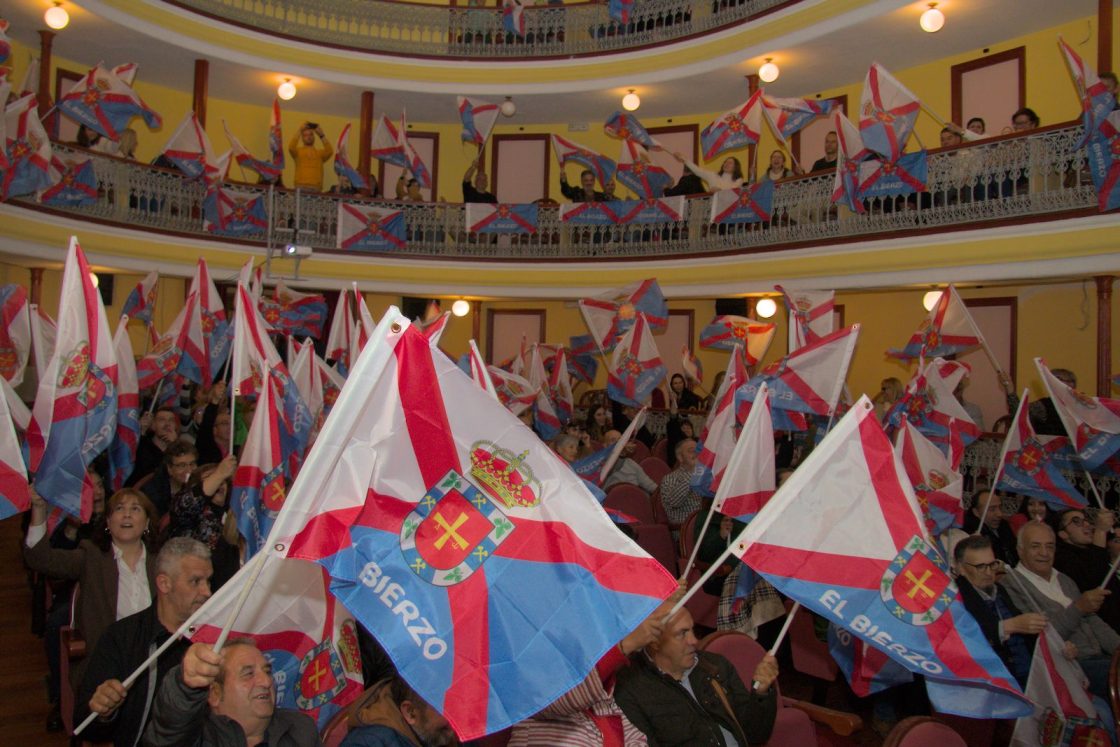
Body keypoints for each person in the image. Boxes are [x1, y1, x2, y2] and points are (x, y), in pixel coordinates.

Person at [75, 538, 213, 747]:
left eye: (208, 581)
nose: (207, 592)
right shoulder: (123, 637)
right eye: (196, 581)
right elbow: (85, 724)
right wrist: (103, 711)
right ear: (164, 583)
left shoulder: (214, 639)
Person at [25, 488, 159, 690]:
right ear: (107, 522)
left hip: (152, 662)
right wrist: (39, 508)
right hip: (104, 666)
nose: (127, 514)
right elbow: (40, 559)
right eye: (119, 509)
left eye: (136, 509)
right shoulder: (91, 556)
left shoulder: (161, 563)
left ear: (147, 523)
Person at [614, 607, 779, 747]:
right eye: (682, 633)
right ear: (654, 641)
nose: (694, 640)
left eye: (692, 630)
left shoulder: (714, 666)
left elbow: (755, 735)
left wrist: (760, 692)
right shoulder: (631, 690)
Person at [1000, 521, 1119, 699]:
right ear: (1020, 550)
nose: (1044, 553)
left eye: (1050, 546)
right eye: (1035, 546)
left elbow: (1093, 620)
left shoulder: (1064, 579)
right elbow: (1042, 640)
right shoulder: (1012, 585)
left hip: (1101, 658)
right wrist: (1078, 608)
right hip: (1069, 666)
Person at [143, 639, 320, 746]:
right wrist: (184, 684)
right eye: (248, 674)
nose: (266, 682)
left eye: (267, 671)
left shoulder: (300, 729)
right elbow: (169, 729)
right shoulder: (199, 737)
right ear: (215, 694)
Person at [952, 535, 1044, 688]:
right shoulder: (956, 597)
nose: (989, 572)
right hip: (998, 682)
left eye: (992, 564)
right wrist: (1007, 626)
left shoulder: (999, 589)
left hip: (1031, 673)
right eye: (980, 567)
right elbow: (963, 638)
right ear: (960, 568)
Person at [340, 675, 456, 746]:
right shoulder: (369, 742)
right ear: (410, 712)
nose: (454, 720)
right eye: (445, 709)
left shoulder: (435, 733)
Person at [1054, 508, 1120, 632]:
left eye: (1086, 520)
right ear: (1063, 534)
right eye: (1076, 522)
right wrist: (1100, 531)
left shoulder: (1089, 551)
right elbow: (1095, 579)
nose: (1086, 525)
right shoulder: (1061, 557)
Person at [962, 482, 1019, 567]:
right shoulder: (968, 531)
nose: (999, 514)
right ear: (976, 512)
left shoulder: (1004, 525)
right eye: (992, 509)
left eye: (1000, 507)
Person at [141, 441, 200, 518]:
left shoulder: (202, 484)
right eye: (182, 465)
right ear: (169, 468)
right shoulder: (153, 493)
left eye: (192, 464)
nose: (189, 470)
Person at [128, 407, 182, 486]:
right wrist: (141, 430)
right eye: (162, 420)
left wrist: (175, 445)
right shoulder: (141, 445)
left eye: (171, 420)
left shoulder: (180, 448)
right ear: (153, 425)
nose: (167, 424)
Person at [659, 439, 702, 526]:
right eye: (691, 451)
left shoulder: (707, 475)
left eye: (698, 450)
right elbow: (674, 503)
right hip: (684, 530)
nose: (696, 453)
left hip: (708, 526)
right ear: (680, 457)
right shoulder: (670, 479)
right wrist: (692, 473)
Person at [288, 121, 333, 192]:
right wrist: (300, 130)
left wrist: (321, 135)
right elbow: (291, 148)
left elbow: (329, 151)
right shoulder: (298, 152)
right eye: (305, 135)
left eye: (311, 134)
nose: (308, 137)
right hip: (300, 187)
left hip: (316, 189)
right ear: (302, 138)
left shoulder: (319, 153)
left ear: (314, 137)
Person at [673, 153, 746, 192]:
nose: (726, 164)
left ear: (736, 167)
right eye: (725, 162)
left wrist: (719, 190)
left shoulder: (739, 180)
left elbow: (733, 190)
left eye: (730, 163)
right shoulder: (713, 176)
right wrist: (684, 159)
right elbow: (698, 170)